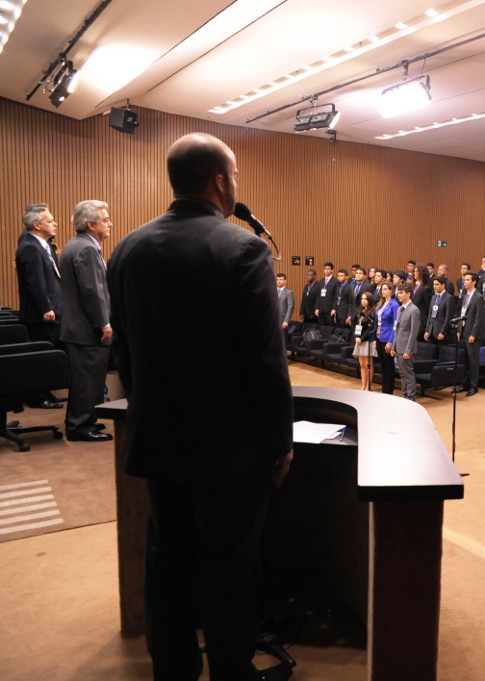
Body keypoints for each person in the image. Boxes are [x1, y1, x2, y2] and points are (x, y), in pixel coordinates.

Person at [107, 133, 293, 681]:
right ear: (220, 181)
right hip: (228, 451)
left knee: (168, 558)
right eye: (234, 175)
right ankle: (233, 672)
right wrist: (280, 440)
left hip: (159, 439)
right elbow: (265, 360)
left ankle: (174, 669)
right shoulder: (243, 248)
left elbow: (124, 350)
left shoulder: (128, 249)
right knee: (227, 568)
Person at [59, 200, 114, 441]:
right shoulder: (86, 249)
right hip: (85, 329)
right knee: (86, 380)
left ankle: (86, 420)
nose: (110, 223)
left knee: (87, 379)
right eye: (105, 219)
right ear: (91, 225)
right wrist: (104, 323)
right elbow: (92, 291)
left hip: (78, 327)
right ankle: (79, 427)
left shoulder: (78, 244)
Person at [15, 203, 63, 348]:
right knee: (46, 358)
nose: (55, 224)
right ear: (37, 225)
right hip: (43, 318)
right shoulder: (30, 247)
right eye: (49, 221)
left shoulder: (46, 245)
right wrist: (46, 308)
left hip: (54, 313)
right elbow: (35, 282)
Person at [458, 272, 485, 396]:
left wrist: (473, 334)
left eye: (467, 279)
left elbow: (479, 318)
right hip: (463, 332)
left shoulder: (478, 297)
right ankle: (464, 383)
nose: (465, 281)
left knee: (473, 361)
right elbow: (462, 314)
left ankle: (473, 386)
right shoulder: (465, 295)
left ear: (474, 282)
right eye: (464, 279)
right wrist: (459, 330)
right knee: (464, 360)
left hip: (472, 334)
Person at [392, 283, 420, 400]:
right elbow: (396, 329)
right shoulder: (399, 309)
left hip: (407, 348)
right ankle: (404, 395)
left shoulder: (414, 310)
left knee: (408, 375)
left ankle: (411, 397)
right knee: (402, 374)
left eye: (401, 293)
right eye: (398, 293)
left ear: (408, 294)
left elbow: (413, 333)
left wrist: (408, 350)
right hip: (398, 346)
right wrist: (393, 347)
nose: (399, 295)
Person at [375, 282, 399, 395]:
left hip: (388, 337)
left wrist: (390, 341)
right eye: (382, 289)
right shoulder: (381, 303)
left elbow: (395, 324)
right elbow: (377, 322)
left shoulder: (394, 305)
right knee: (382, 365)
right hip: (379, 337)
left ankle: (389, 391)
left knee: (389, 366)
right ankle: (384, 389)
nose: (383, 291)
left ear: (391, 291)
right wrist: (374, 339)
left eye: (385, 289)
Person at [352, 291, 377, 391]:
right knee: (362, 365)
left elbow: (369, 329)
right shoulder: (361, 311)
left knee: (368, 364)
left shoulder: (372, 312)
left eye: (365, 299)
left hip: (367, 341)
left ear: (370, 300)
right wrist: (356, 336)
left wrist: (361, 338)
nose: (363, 301)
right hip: (359, 340)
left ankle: (368, 387)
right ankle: (363, 386)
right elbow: (357, 326)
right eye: (362, 299)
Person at [423, 276, 454, 346]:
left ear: (443, 285)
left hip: (441, 331)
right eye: (434, 284)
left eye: (437, 284)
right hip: (431, 331)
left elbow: (448, 317)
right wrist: (427, 330)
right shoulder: (433, 297)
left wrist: (443, 332)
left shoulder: (449, 298)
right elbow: (429, 315)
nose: (434, 286)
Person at [276, 274, 294, 344]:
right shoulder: (272, 291)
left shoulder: (288, 292)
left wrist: (286, 321)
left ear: (285, 281)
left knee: (282, 342)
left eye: (281, 279)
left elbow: (290, 307)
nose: (279, 281)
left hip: (282, 320)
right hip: (273, 320)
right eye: (277, 279)